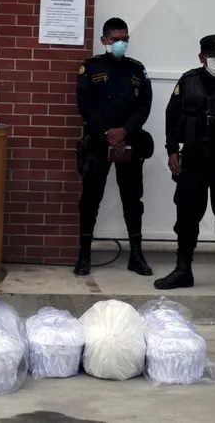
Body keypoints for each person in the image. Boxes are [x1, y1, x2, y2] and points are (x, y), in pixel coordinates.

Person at [154, 34, 215, 296]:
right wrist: (172, 150)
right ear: (202, 58)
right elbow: (171, 115)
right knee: (187, 216)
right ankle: (183, 270)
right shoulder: (188, 82)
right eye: (213, 56)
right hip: (195, 158)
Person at [74, 17, 154, 277]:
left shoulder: (136, 69)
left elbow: (144, 105)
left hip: (129, 142)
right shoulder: (90, 67)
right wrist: (107, 133)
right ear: (104, 40)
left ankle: (136, 256)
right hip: (99, 142)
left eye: (125, 39)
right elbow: (85, 105)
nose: (121, 43)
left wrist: (125, 132)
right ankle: (84, 255)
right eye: (115, 39)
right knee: (90, 199)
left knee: (132, 199)